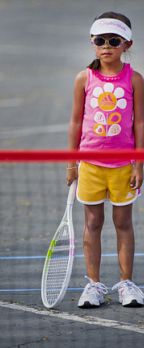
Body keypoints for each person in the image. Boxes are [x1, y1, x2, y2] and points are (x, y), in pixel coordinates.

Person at [67, 12, 144, 308]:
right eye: (100, 40)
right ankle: (94, 284)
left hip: (124, 166)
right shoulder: (83, 79)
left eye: (114, 40)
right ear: (92, 43)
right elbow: (75, 122)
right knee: (93, 222)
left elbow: (139, 124)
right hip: (90, 166)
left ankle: (126, 282)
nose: (107, 46)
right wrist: (72, 163)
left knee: (123, 222)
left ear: (127, 44)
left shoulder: (134, 79)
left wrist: (139, 163)